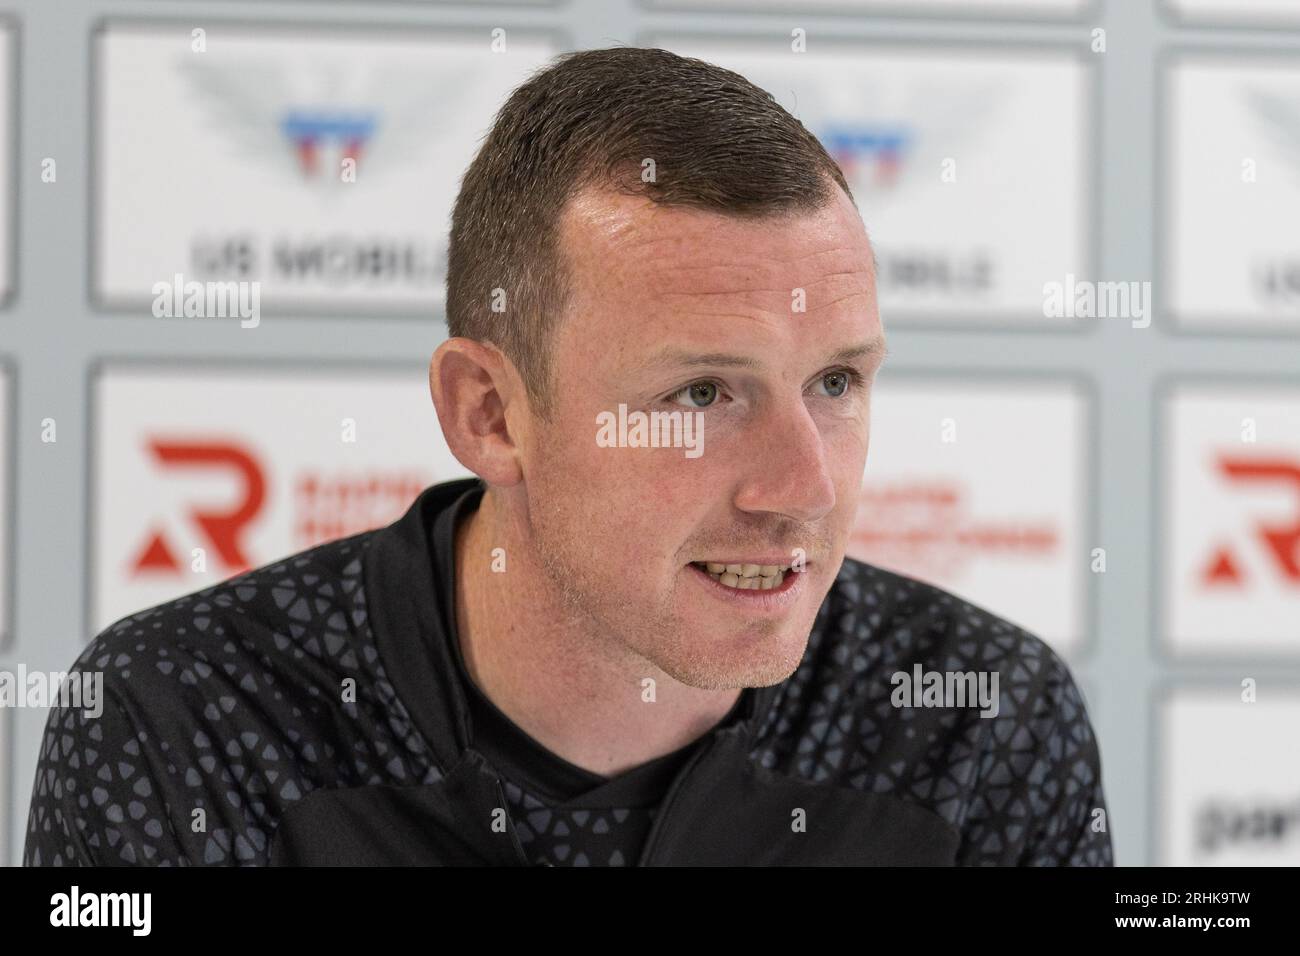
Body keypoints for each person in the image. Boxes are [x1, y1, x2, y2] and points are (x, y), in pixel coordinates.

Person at [24, 46, 1111, 866]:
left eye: (835, 381)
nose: (804, 488)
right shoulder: (184, 715)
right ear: (490, 411)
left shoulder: (978, 720)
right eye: (701, 393)